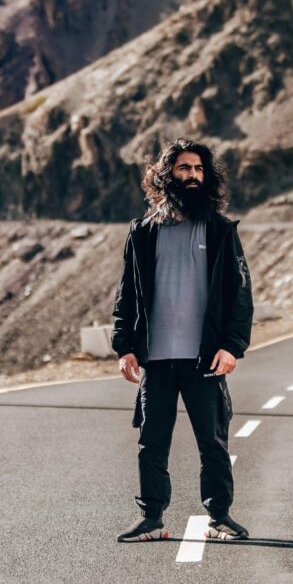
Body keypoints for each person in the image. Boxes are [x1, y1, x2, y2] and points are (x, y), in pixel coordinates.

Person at [111, 137, 254, 542]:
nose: (192, 176)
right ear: (165, 174)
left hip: (205, 357)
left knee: (212, 440)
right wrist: (125, 346)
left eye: (198, 169)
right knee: (151, 441)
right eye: (183, 169)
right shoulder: (143, 232)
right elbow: (127, 294)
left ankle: (220, 518)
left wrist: (232, 346)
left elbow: (240, 294)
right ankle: (152, 518)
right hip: (155, 358)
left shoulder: (221, 231)